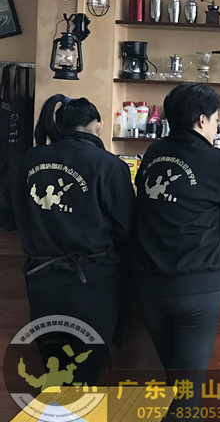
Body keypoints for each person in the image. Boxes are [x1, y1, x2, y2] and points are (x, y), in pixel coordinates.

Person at [131, 83, 220, 416]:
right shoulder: (218, 160)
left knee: (176, 384)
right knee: (187, 393)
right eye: (215, 119)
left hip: (149, 286)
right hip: (197, 287)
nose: (216, 125)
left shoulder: (154, 153)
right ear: (202, 120)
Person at [0, 94, 135, 385]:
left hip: (41, 283)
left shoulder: (25, 161)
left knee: (56, 375)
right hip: (94, 284)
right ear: (97, 126)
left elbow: (7, 220)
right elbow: (127, 229)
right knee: (83, 376)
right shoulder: (109, 165)